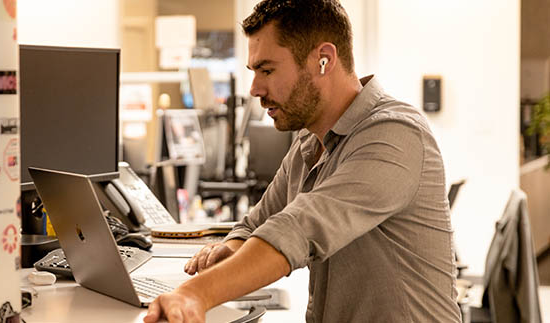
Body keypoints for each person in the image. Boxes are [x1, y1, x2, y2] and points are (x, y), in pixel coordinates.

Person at [144, 0, 462, 322]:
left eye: (267, 70)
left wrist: (195, 294)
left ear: (323, 60)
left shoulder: (395, 134)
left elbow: (297, 229)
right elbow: (257, 223)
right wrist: (234, 247)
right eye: (254, 72)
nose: (255, 89)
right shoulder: (310, 143)